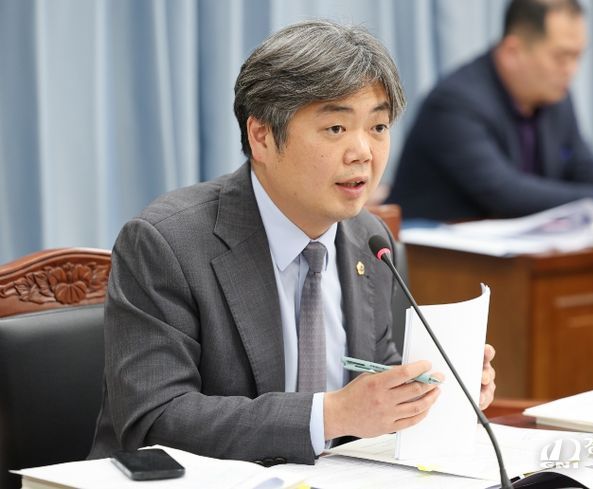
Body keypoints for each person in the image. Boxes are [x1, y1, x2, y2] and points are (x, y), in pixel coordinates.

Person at [89, 20, 497, 464]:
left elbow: (376, 380)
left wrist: (432, 392)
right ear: (262, 136)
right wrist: (331, 415)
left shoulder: (369, 239)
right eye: (336, 128)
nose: (363, 152)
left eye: (378, 127)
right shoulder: (167, 243)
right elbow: (154, 420)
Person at [388, 0, 593, 222]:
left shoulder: (555, 98)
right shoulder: (455, 102)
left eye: (577, 57)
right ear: (513, 52)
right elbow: (504, 191)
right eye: (561, 57)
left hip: (512, 258)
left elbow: (584, 169)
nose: (572, 70)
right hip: (433, 260)